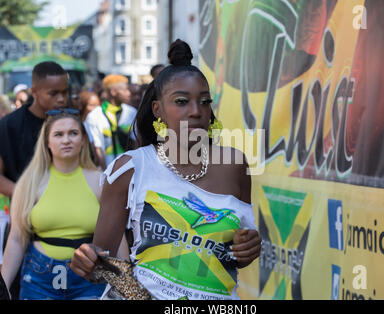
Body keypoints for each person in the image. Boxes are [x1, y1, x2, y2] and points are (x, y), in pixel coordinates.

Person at [70, 39, 262, 300]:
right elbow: (102, 263)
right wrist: (89, 261)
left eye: (205, 102)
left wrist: (248, 249)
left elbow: (238, 255)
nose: (196, 111)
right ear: (157, 109)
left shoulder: (234, 165)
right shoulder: (131, 169)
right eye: (181, 101)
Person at [0, 109, 119, 300]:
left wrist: (126, 283)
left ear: (83, 140)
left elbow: (116, 237)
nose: (66, 140)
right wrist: (3, 286)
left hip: (91, 276)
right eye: (58, 134)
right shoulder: (30, 182)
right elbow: (16, 238)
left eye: (73, 133)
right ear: (47, 142)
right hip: (39, 277)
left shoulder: (100, 181)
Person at [0, 61, 69, 199]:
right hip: (25, 211)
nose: (61, 99)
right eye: (53, 93)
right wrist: (29, 198)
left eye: (65, 92)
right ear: (34, 92)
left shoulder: (71, 123)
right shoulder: (9, 125)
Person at [84, 74, 137, 170]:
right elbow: (97, 148)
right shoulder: (94, 116)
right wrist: (106, 175)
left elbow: (136, 143)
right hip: (106, 172)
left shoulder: (132, 112)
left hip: (130, 171)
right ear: (113, 92)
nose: (129, 93)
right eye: (125, 90)